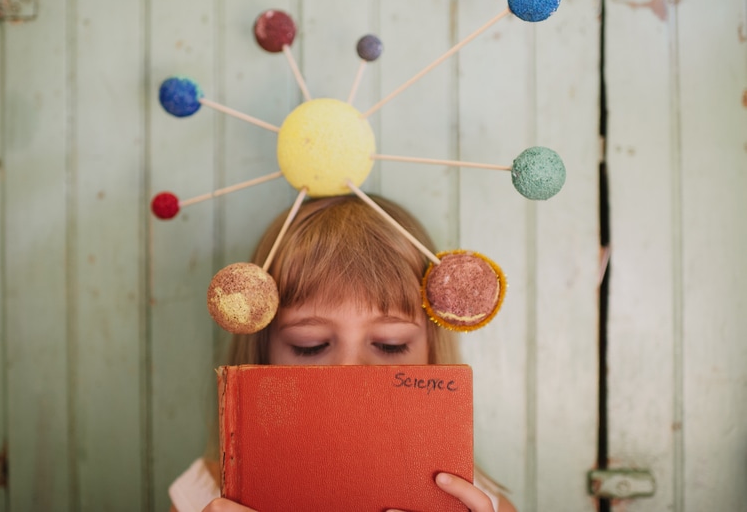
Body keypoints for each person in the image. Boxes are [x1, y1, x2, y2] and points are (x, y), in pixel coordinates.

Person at [169, 194, 517, 512]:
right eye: (311, 346)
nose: (350, 370)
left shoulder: (478, 505)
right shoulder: (201, 498)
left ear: (432, 353)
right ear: (261, 354)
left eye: (390, 345)